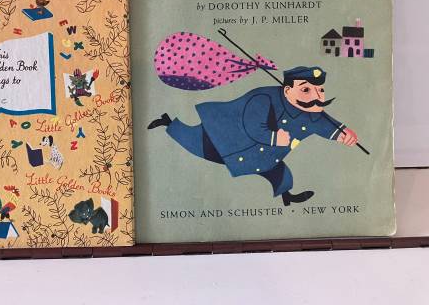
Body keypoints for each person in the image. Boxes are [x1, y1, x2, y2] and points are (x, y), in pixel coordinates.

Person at [147, 66, 358, 205]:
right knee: (194, 143)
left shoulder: (312, 112)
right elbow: (252, 126)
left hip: (265, 155)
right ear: (287, 91)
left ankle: (287, 197)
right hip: (226, 139)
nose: (317, 97)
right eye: (306, 90)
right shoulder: (263, 97)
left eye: (320, 91)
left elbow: (326, 124)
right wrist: (275, 138)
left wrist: (343, 134)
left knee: (278, 172)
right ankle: (168, 122)